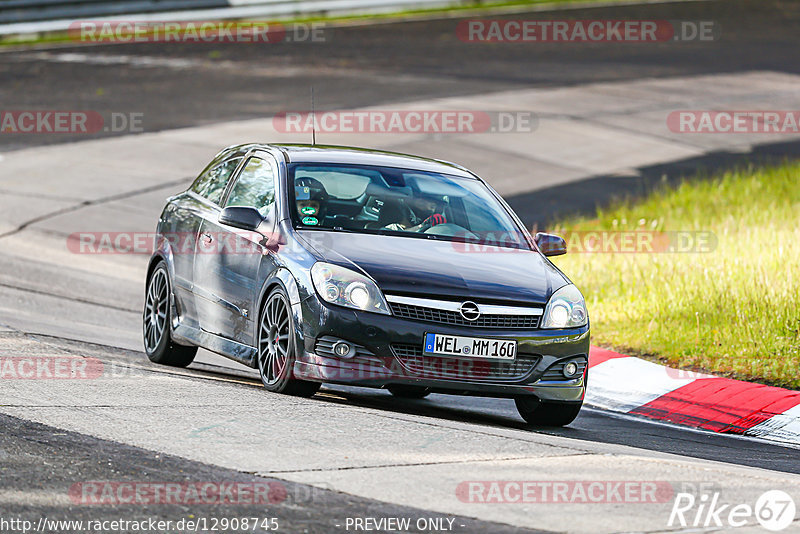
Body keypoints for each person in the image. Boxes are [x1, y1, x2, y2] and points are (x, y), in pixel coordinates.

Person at [382, 194, 447, 232]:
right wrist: (421, 227)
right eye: (422, 203)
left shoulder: (436, 231)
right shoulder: (390, 229)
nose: (430, 209)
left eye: (433, 206)